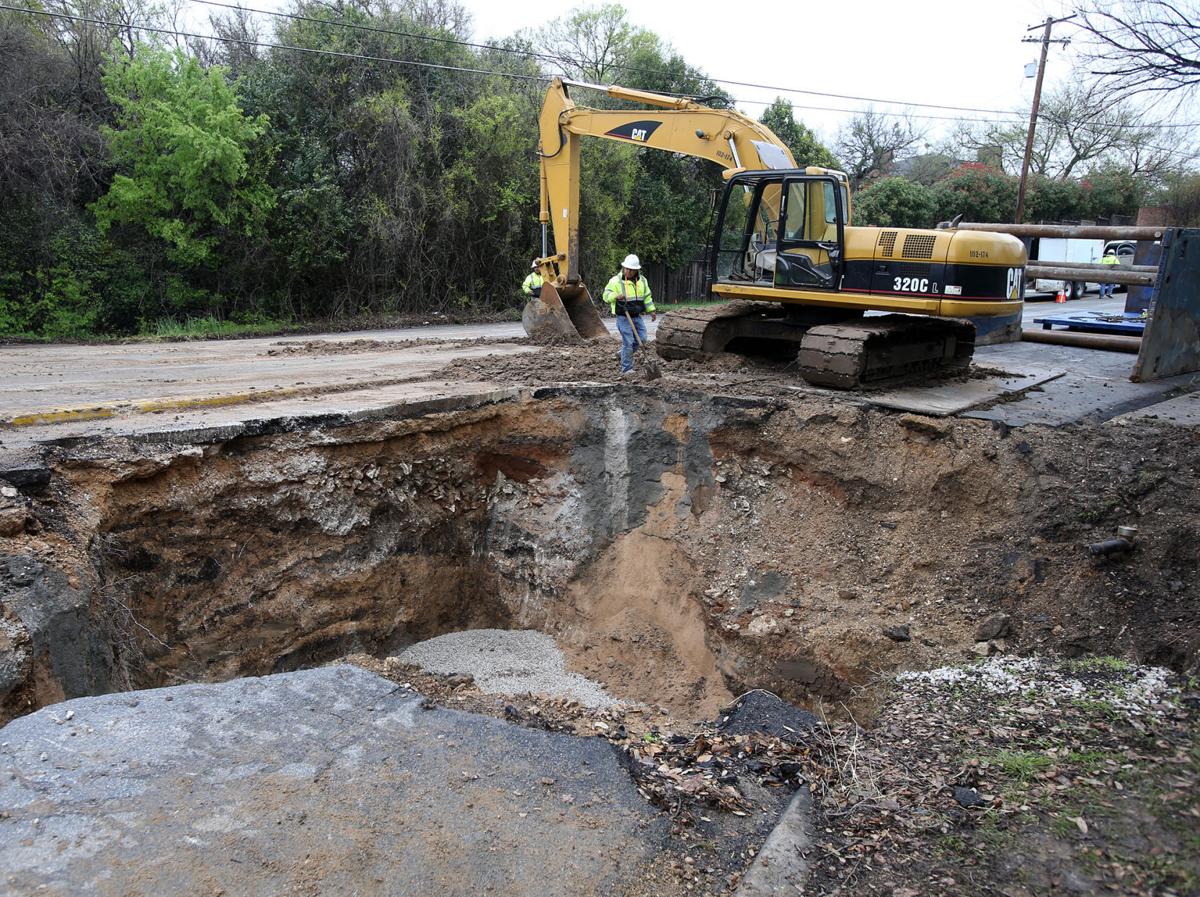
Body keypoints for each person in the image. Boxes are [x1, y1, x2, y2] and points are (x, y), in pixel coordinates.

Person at [602, 254, 656, 374]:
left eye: (631, 270)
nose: (628, 271)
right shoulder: (615, 281)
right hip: (623, 316)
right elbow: (605, 295)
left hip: (636, 315)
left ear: (636, 270)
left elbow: (647, 297)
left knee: (642, 339)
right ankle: (626, 368)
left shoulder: (642, 281)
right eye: (626, 268)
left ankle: (623, 354)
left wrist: (651, 310)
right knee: (628, 342)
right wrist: (616, 296)